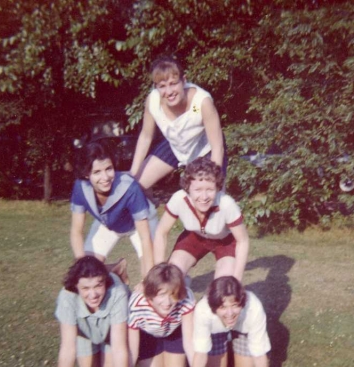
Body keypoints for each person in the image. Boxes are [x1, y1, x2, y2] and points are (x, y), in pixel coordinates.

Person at [27, 256, 154, 367]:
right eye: (85, 288)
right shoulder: (67, 297)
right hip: (86, 333)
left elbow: (119, 347)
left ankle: (107, 351)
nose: (93, 294)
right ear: (76, 287)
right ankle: (96, 350)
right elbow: (67, 348)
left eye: (98, 286)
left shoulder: (117, 292)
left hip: (110, 333)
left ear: (105, 282)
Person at [167, 276, 288, 367]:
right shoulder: (203, 310)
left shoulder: (254, 307)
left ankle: (234, 342)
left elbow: (259, 355)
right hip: (217, 331)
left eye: (235, 305)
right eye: (223, 307)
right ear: (213, 307)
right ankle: (227, 343)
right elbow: (200, 355)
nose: (230, 313)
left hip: (242, 330)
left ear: (242, 302)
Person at [130, 55, 227, 191]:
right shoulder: (153, 101)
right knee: (132, 188)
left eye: (173, 83)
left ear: (184, 81)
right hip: (175, 146)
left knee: (208, 199)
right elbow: (146, 137)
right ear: (155, 87)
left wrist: (210, 184)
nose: (169, 92)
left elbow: (217, 148)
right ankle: (147, 211)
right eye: (162, 86)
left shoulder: (199, 103)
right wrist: (132, 173)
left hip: (205, 150)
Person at [127, 263, 217, 367]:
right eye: (161, 294)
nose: (167, 302)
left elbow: (190, 344)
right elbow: (132, 350)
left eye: (173, 294)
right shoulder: (136, 304)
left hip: (174, 332)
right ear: (150, 292)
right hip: (149, 335)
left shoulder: (186, 298)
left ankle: (171, 354)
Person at [70, 141, 156, 279]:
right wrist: (82, 265)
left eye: (109, 169)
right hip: (108, 224)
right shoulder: (80, 187)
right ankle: (116, 270)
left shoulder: (130, 187)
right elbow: (76, 231)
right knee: (86, 273)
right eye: (97, 172)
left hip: (139, 226)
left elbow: (145, 237)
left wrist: (149, 277)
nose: (105, 178)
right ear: (86, 174)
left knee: (151, 276)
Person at [153, 158, 249, 280]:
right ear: (187, 188)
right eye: (197, 190)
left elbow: (243, 240)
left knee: (224, 284)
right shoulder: (179, 199)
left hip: (226, 242)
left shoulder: (226, 204)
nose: (204, 197)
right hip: (194, 237)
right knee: (172, 276)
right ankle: (183, 290)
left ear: (218, 188)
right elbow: (161, 232)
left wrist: (237, 279)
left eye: (209, 190)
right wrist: (159, 271)